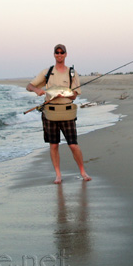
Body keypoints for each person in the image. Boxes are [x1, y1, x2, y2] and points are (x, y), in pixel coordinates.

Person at [27, 44, 91, 184]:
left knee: (73, 145)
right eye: (57, 52)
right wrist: (37, 90)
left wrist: (65, 95)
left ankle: (82, 171)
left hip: (67, 113)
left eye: (62, 52)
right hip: (50, 113)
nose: (59, 54)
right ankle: (58, 175)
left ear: (66, 54)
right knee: (54, 145)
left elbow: (74, 95)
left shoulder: (72, 73)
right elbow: (29, 86)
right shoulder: (47, 72)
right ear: (54, 54)